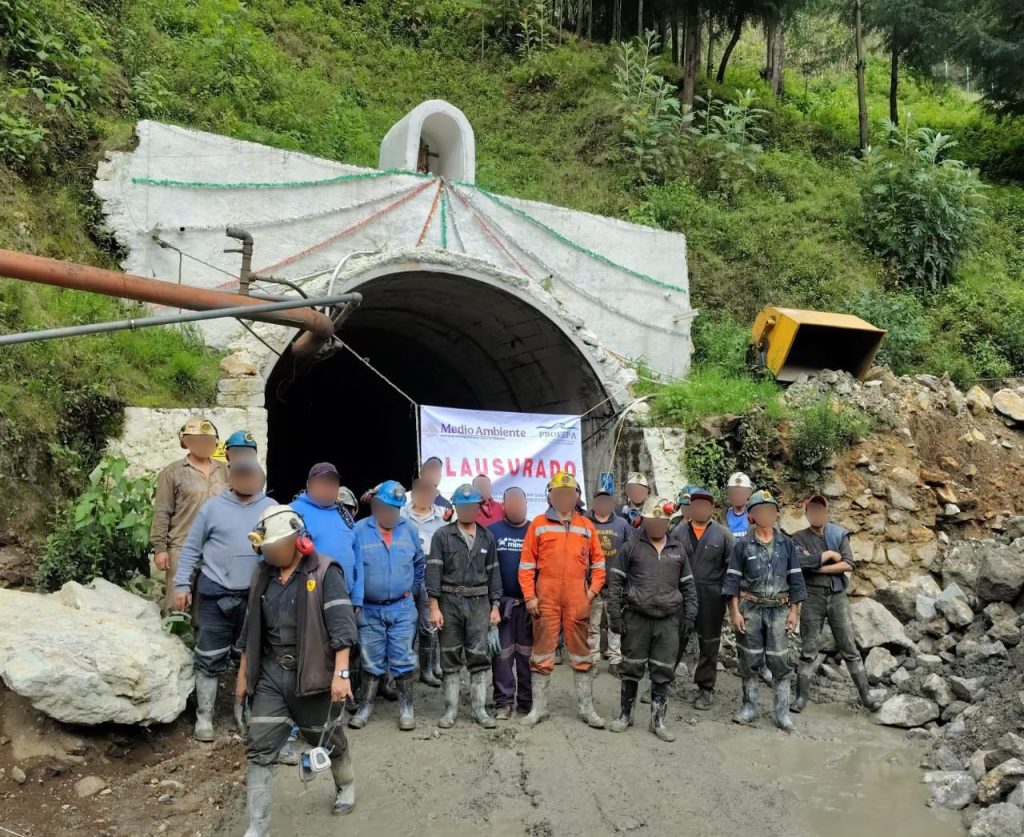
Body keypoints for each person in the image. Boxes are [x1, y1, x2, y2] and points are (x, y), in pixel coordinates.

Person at [235, 504, 358, 834]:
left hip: (313, 672)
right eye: (265, 549)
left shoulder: (324, 571)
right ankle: (257, 828)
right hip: (273, 673)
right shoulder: (263, 574)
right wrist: (244, 676)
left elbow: (342, 627)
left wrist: (341, 673)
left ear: (297, 541)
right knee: (258, 746)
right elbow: (251, 628)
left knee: (328, 739)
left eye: (273, 548)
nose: (268, 554)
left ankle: (345, 785)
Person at [172, 460, 275, 741]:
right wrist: (181, 584)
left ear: (260, 478)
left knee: (252, 656)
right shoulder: (212, 508)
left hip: (255, 597)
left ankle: (246, 713)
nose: (246, 480)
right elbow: (191, 548)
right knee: (208, 655)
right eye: (240, 475)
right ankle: (204, 717)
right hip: (215, 593)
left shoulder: (271, 508)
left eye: (251, 475)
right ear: (231, 478)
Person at [518, 472, 606, 729]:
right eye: (559, 494)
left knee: (581, 654)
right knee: (542, 652)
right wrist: (530, 597)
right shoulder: (538, 524)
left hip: (577, 599)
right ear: (551, 496)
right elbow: (526, 565)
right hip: (546, 598)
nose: (565, 498)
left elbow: (599, 564)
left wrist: (591, 592)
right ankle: (539, 709)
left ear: (577, 497)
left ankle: (587, 710)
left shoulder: (586, 526)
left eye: (569, 494)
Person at [606, 498, 697, 742]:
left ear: (668, 522)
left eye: (662, 521)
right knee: (631, 668)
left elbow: (688, 585)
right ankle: (626, 715)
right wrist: (614, 614)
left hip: (668, 621)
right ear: (644, 521)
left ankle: (658, 721)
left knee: (663, 671)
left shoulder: (677, 550)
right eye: (652, 521)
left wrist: (690, 614)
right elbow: (615, 581)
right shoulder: (631, 547)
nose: (657, 525)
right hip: (636, 618)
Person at [723, 490, 806, 731]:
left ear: (776, 514)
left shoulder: (786, 545)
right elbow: (732, 582)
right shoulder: (742, 546)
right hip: (751, 609)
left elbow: (796, 580)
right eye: (760, 511)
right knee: (749, 660)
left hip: (779, 610)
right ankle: (749, 707)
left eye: (770, 510)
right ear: (752, 516)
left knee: (780, 662)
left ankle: (782, 713)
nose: (766, 515)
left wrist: (794, 612)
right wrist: (735, 613)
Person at [791, 495, 881, 713]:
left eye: (820, 510)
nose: (817, 514)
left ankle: (866, 696)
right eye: (812, 510)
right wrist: (829, 556)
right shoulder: (798, 538)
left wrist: (818, 566)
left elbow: (848, 564)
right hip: (812, 596)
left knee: (849, 647)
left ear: (826, 512)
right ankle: (801, 697)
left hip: (838, 595)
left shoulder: (838, 533)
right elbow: (799, 562)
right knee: (809, 647)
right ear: (807, 514)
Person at [349, 480, 424, 731]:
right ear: (376, 506)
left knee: (403, 657)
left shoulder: (410, 529)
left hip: (402, 607)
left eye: (396, 510)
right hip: (369, 608)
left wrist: (410, 591)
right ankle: (366, 706)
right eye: (387, 509)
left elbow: (419, 564)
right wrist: (356, 601)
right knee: (371, 659)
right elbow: (353, 569)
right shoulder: (359, 530)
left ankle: (406, 708)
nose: (391, 515)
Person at [427, 484, 502, 728]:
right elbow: (434, 571)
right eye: (463, 506)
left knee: (479, 657)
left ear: (478, 508)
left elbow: (494, 573)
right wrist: (434, 606)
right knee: (449, 656)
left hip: (479, 603)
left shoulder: (486, 537)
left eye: (472, 506)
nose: (468, 510)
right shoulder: (443, 536)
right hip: (449, 602)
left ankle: (480, 710)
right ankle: (450, 710)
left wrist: (495, 606)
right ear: (456, 507)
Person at [150, 417, 228, 612]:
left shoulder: (224, 471)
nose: (203, 445)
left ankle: (199, 641)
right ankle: (172, 641)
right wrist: (160, 548)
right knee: (177, 603)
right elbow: (162, 511)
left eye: (207, 440)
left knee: (206, 605)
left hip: (215, 547)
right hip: (181, 546)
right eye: (196, 440)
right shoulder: (172, 473)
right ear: (186, 442)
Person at [670, 487, 735, 710]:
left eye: (705, 505)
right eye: (696, 505)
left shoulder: (723, 534)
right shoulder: (678, 532)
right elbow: (671, 564)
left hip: (712, 597)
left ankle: (705, 689)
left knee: (709, 644)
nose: (700, 509)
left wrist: (729, 601)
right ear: (691, 508)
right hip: (683, 595)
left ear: (711, 508)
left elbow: (732, 569)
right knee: (674, 641)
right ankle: (663, 682)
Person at [488, 487, 533, 720]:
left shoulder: (536, 530)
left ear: (526, 503)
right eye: (511, 502)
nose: (516, 506)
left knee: (527, 656)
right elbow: (486, 570)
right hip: (502, 605)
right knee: (502, 656)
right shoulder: (492, 532)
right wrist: (492, 605)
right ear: (503, 505)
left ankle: (527, 702)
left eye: (520, 501)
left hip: (530, 605)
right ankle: (503, 703)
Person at [401, 478, 450, 688]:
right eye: (419, 492)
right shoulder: (401, 515)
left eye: (428, 492)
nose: (423, 496)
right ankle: (401, 671)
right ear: (412, 494)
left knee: (429, 626)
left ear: (434, 494)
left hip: (431, 575)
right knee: (405, 626)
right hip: (406, 575)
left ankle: (427, 670)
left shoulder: (444, 516)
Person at [291, 463, 360, 608]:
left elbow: (358, 556)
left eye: (332, 483)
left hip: (344, 597)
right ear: (309, 485)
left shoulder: (343, 513)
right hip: (309, 600)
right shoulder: (292, 512)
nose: (327, 488)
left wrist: (358, 597)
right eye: (322, 483)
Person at [584, 481, 631, 676]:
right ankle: (593, 660)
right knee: (592, 624)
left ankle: (615, 660)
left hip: (615, 584)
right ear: (593, 504)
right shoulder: (585, 523)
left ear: (612, 504)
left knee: (614, 623)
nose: (603, 504)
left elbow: (630, 551)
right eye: (599, 500)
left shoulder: (622, 524)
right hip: (591, 583)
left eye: (607, 500)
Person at [724, 472, 753, 536]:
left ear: (749, 493)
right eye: (733, 491)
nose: (737, 495)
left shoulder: (756, 516)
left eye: (742, 491)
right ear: (728, 493)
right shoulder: (721, 518)